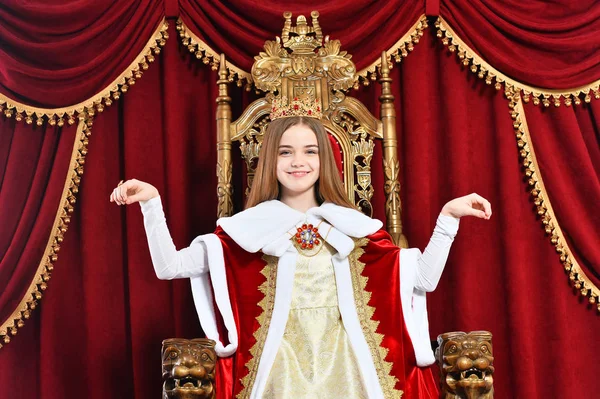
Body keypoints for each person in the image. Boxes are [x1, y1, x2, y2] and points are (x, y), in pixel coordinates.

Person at [110, 113, 491, 399]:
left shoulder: (354, 227)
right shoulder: (246, 230)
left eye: (310, 151)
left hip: (349, 365)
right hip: (279, 365)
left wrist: (448, 219)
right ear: (270, 162)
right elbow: (170, 267)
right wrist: (151, 204)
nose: (298, 162)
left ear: (325, 159)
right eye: (286, 152)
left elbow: (423, 278)